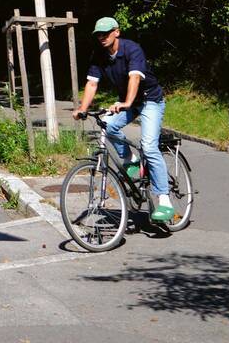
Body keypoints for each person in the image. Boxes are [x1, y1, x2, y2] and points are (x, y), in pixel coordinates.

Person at [72, 17, 173, 223]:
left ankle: (164, 200)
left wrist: (126, 102)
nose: (102, 37)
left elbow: (134, 77)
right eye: (98, 34)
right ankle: (130, 161)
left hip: (150, 101)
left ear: (116, 32)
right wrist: (82, 108)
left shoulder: (132, 49)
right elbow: (92, 84)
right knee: (107, 126)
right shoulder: (99, 55)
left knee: (149, 146)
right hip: (128, 102)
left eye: (106, 33)